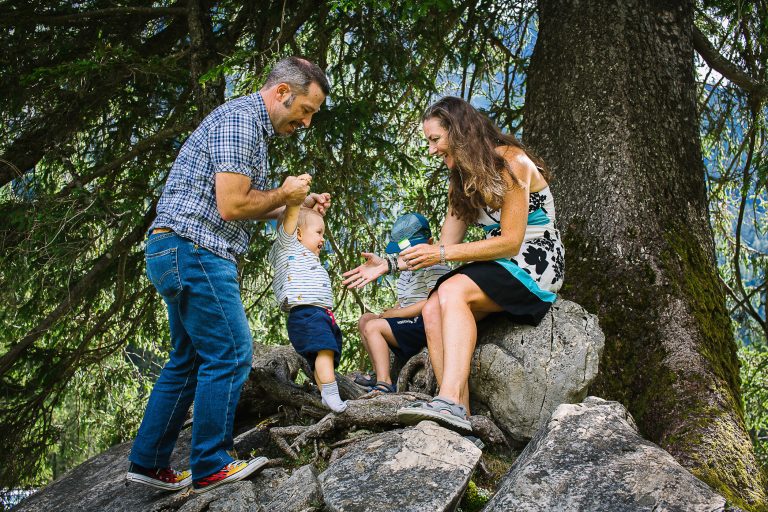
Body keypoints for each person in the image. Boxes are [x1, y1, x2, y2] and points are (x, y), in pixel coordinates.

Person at [126, 57, 332, 494]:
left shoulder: (247, 126)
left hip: (175, 249)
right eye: (306, 110)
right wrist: (286, 192)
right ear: (282, 93)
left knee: (188, 360)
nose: (308, 121)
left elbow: (245, 202)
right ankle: (212, 464)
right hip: (197, 250)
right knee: (232, 352)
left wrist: (299, 201)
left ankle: (148, 462)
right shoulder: (241, 123)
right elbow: (232, 206)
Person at [343, 96, 564, 433]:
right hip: (501, 263)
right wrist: (388, 264)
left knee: (452, 289)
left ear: (460, 132)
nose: (432, 150)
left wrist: (441, 256)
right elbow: (444, 247)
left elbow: (511, 240)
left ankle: (447, 400)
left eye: (435, 139)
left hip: (535, 260)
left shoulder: (512, 162)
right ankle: (457, 407)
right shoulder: (460, 182)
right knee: (433, 306)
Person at [267, 192, 347, 412]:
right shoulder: (289, 247)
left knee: (322, 357)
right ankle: (332, 395)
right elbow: (290, 220)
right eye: (319, 232)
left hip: (319, 314)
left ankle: (325, 396)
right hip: (307, 314)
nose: (323, 238)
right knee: (325, 351)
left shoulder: (309, 256)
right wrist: (298, 198)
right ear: (298, 234)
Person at [352, 213, 450, 393]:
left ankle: (385, 383)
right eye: (404, 251)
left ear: (430, 242)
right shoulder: (406, 269)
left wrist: (395, 314)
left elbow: (433, 303)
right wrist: (394, 309)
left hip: (422, 322)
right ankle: (378, 371)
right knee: (366, 319)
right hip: (405, 319)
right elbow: (405, 299)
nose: (408, 255)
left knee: (374, 327)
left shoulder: (434, 265)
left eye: (413, 249)